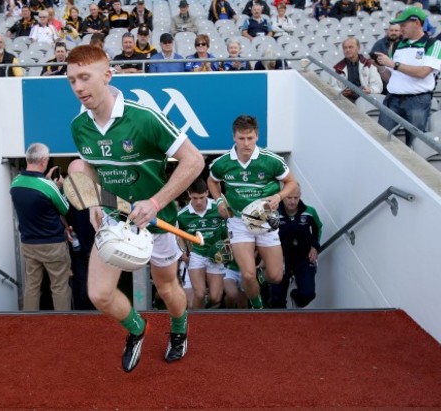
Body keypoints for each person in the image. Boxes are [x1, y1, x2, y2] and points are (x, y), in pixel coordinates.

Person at [65, 44, 204, 372]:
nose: (78, 87)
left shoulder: (144, 118)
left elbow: (194, 160)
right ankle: (138, 329)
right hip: (114, 220)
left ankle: (180, 329)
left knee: (168, 288)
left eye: (84, 77)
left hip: (157, 222)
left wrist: (156, 201)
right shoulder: (78, 126)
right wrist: (93, 203)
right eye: (71, 80)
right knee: (99, 294)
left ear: (107, 75)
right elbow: (89, 166)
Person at [208, 115, 298, 309]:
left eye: (250, 138)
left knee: (275, 276)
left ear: (257, 136)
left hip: (265, 220)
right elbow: (212, 181)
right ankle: (257, 308)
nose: (246, 143)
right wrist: (218, 201)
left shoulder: (271, 161)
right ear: (234, 137)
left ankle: (259, 278)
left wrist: (279, 197)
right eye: (241, 138)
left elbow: (292, 183)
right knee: (247, 274)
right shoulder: (222, 163)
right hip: (238, 221)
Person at [10, 143, 73, 311]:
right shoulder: (49, 186)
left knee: (32, 286)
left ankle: (29, 324)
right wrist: (59, 188)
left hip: (29, 244)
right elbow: (64, 208)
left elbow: (35, 192)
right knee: (59, 287)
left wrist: (46, 182)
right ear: (44, 161)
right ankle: (63, 325)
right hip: (53, 244)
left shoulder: (15, 183)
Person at [374, 7, 441, 147]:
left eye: (404, 25)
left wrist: (394, 64)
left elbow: (423, 72)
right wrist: (381, 68)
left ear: (417, 23)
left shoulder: (433, 44)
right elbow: (392, 78)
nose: (400, 29)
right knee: (381, 140)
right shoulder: (396, 45)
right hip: (392, 98)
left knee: (415, 145)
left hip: (417, 100)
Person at [269, 184, 322, 309]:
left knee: (308, 294)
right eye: (289, 198)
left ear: (300, 196)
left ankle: (294, 296)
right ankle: (282, 324)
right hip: (281, 257)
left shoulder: (310, 212)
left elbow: (318, 228)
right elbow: (266, 235)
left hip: (303, 256)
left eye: (296, 198)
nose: (293, 201)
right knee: (277, 299)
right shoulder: (274, 213)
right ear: (283, 196)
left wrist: (314, 246)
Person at [176, 179, 227, 309]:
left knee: (215, 298)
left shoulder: (219, 208)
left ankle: (205, 315)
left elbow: (231, 229)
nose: (198, 201)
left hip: (216, 255)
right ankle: (196, 324)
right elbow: (179, 235)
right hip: (196, 255)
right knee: (199, 294)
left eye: (202, 197)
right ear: (189, 195)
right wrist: (183, 252)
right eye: (195, 198)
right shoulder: (182, 215)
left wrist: (227, 244)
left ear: (207, 193)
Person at [331, 37, 383, 102]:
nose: (347, 50)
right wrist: (342, 92)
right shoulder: (338, 68)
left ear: (358, 48)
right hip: (346, 101)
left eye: (350, 47)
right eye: (345, 48)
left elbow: (378, 86)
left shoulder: (369, 65)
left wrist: (369, 90)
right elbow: (333, 87)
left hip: (366, 100)